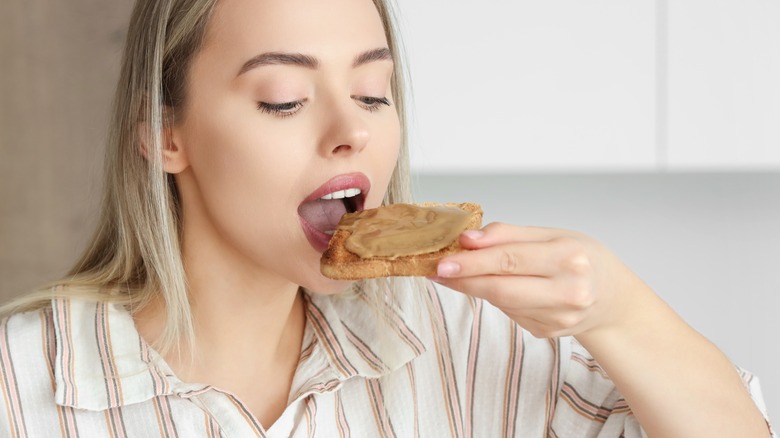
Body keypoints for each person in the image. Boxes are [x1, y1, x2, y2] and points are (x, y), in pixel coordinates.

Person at [0, 0, 772, 436]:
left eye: (374, 93)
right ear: (165, 135)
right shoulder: (20, 385)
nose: (353, 130)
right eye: (283, 100)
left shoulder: (459, 344)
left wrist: (619, 311)